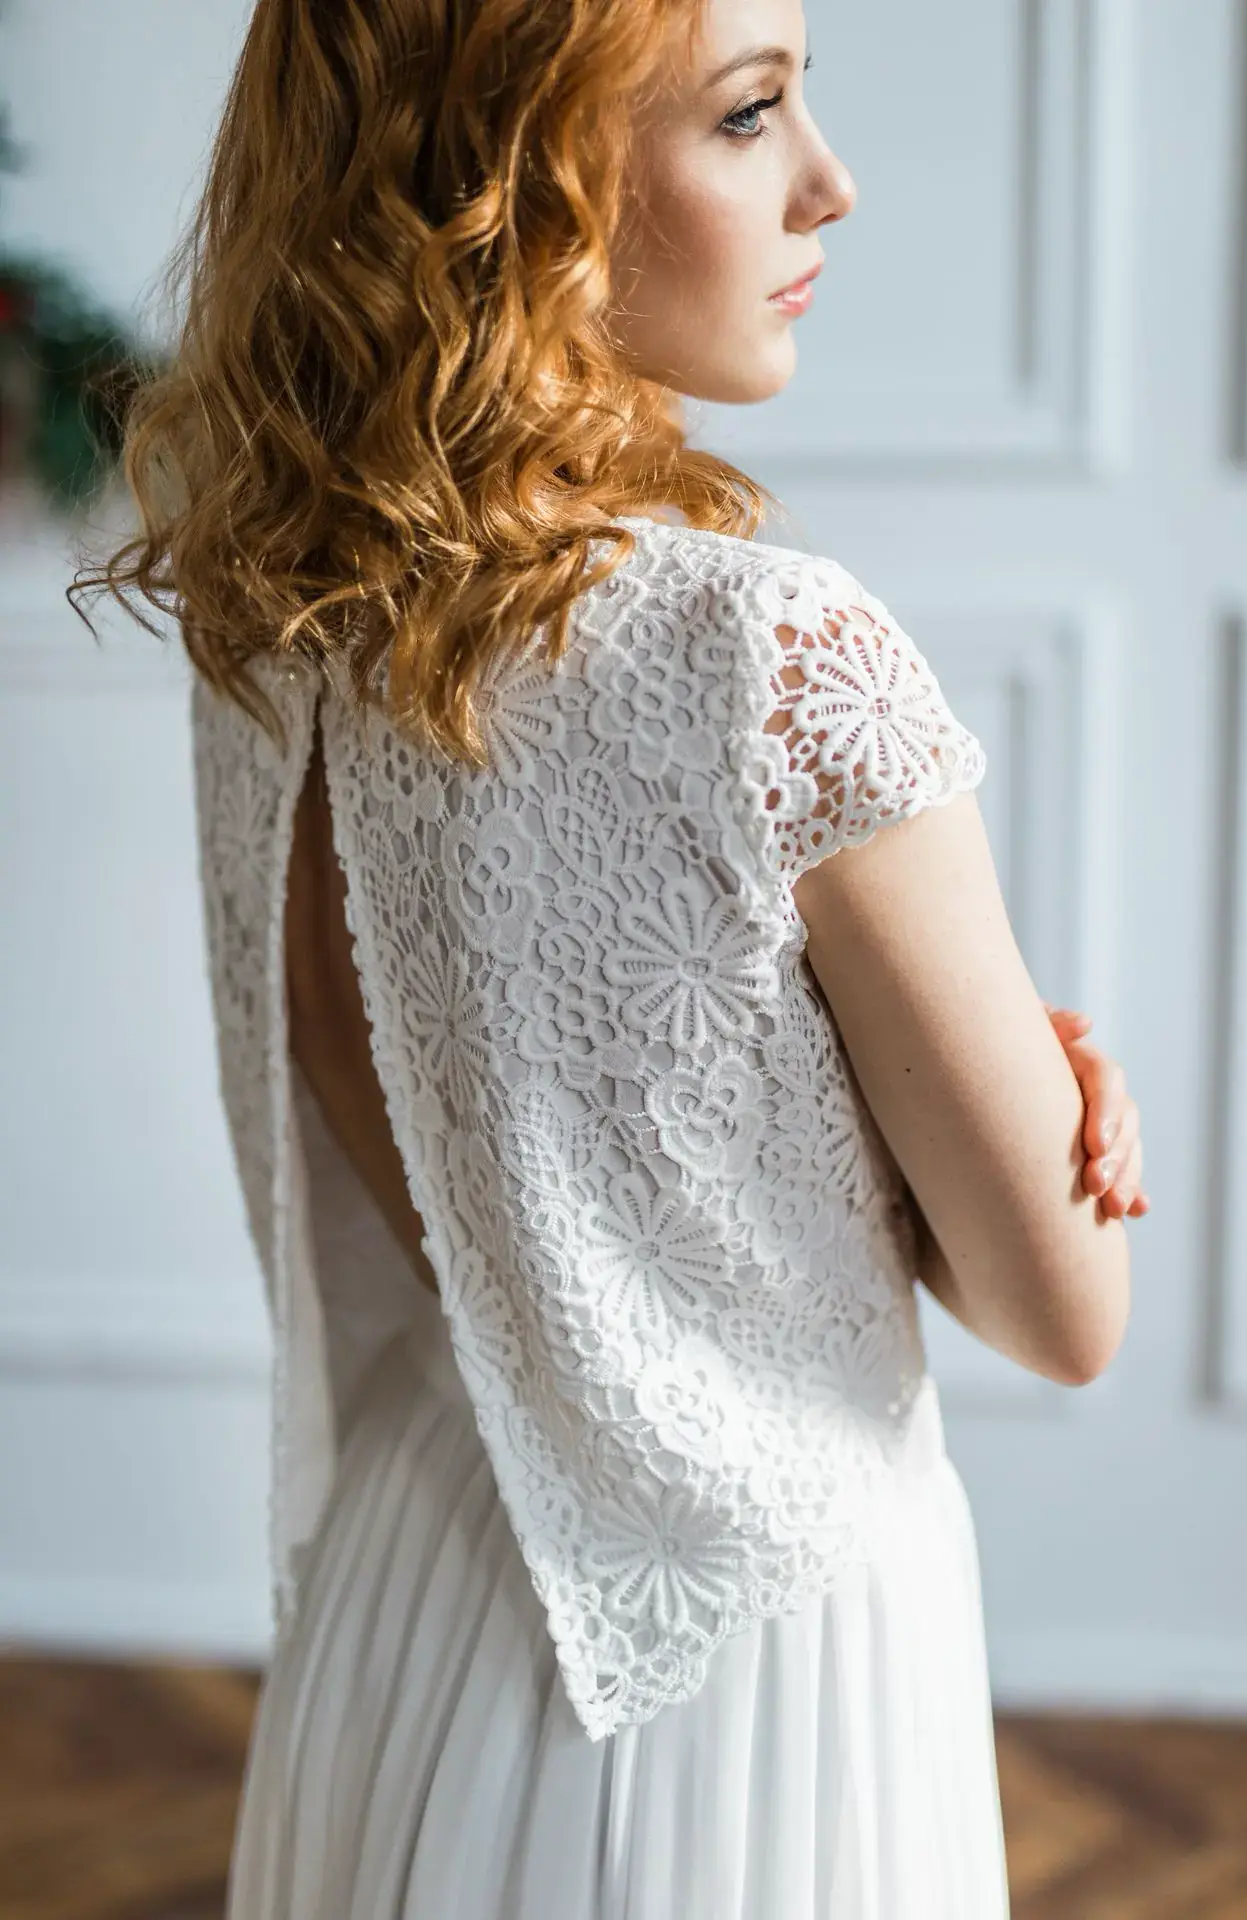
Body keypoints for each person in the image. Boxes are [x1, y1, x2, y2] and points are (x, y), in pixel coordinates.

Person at [69, 0, 1148, 1912]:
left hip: (416, 1579)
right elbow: (1066, 1317)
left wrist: (864, 1130)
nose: (832, 178)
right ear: (502, 197)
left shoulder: (279, 632)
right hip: (733, 1653)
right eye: (748, 116)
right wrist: (1031, 1107)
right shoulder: (771, 654)